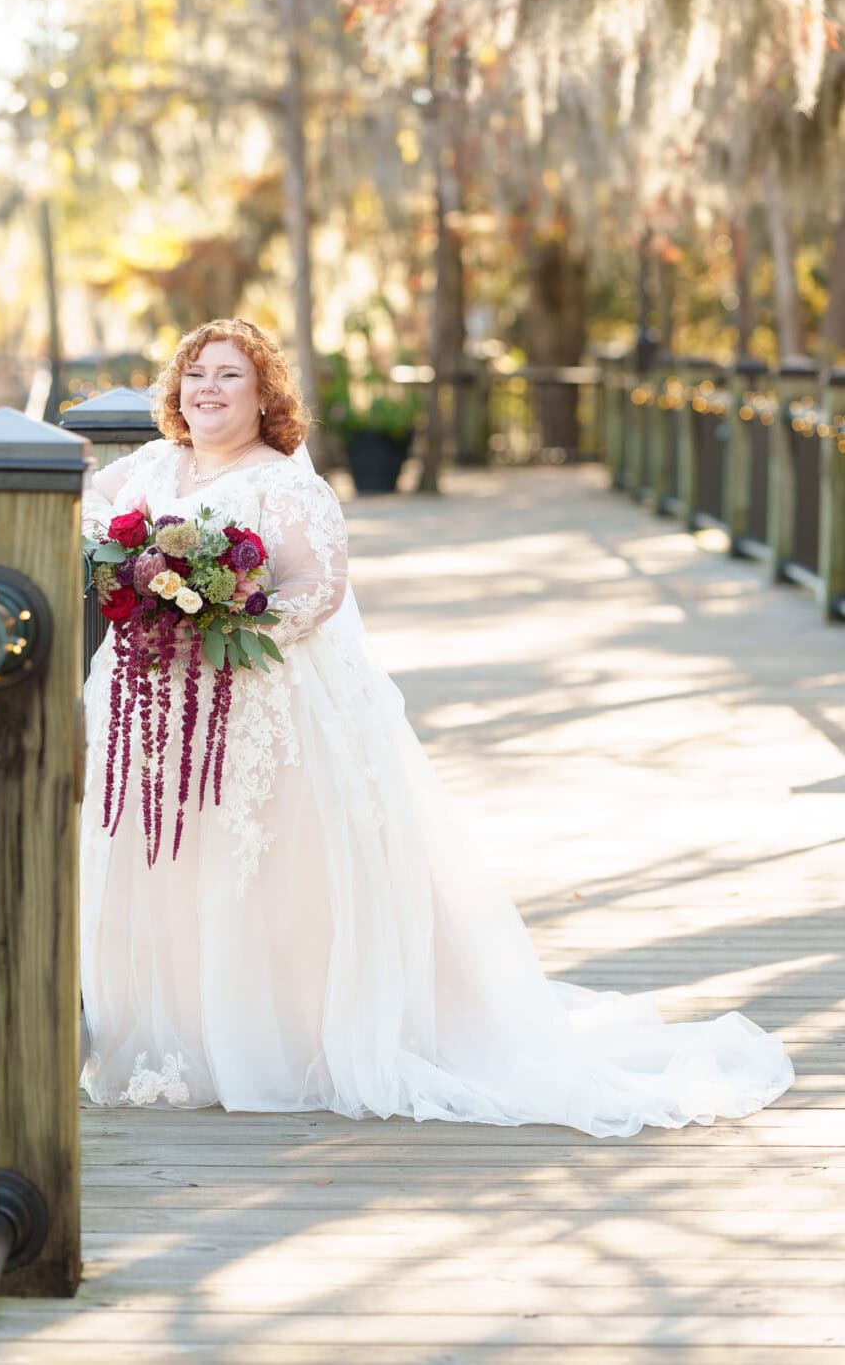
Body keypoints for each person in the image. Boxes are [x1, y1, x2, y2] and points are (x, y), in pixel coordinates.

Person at [78, 317, 794, 1136]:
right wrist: (136, 575)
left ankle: (274, 1039)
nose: (208, 388)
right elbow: (95, 506)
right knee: (174, 856)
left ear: (264, 394)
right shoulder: (156, 465)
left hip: (260, 702)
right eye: (197, 373)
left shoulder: (286, 484)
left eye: (230, 375)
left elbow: (320, 589)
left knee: (265, 868)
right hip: (156, 703)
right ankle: (180, 1035)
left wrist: (223, 614)